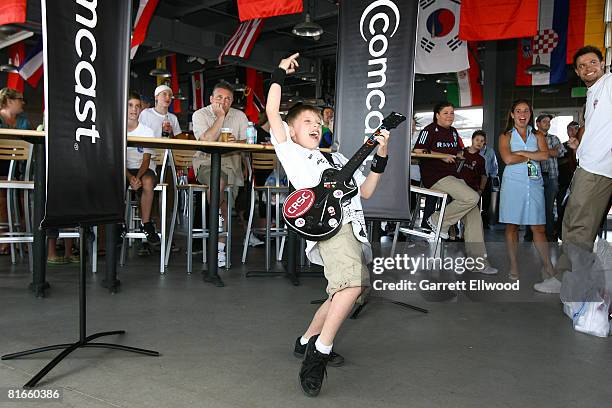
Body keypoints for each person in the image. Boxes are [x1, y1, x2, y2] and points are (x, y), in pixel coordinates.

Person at [267, 53, 389, 397]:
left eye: (318, 120)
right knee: (350, 288)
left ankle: (304, 340)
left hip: (354, 229)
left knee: (345, 290)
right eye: (307, 120)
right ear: (291, 129)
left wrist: (381, 155)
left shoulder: (336, 158)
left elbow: (365, 190)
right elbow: (271, 109)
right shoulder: (291, 152)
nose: (315, 124)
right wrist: (280, 72)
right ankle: (318, 353)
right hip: (330, 229)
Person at [534, 46, 612, 293]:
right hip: (586, 165)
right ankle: (571, 278)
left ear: (603, 63)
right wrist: (580, 144)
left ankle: (567, 279)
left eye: (592, 62)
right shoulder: (593, 93)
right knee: (569, 222)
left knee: (579, 226)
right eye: (582, 66)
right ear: (578, 72)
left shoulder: (609, 83)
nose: (588, 68)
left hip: (599, 169)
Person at [413, 102, 497, 275]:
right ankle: (437, 221)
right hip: (435, 177)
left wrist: (462, 156)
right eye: (446, 113)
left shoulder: (453, 132)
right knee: (472, 198)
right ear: (437, 115)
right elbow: (417, 152)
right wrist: (442, 156)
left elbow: (459, 152)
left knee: (474, 216)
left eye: (452, 113)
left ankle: (478, 262)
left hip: (454, 177)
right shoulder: (429, 131)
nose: (449, 116)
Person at [192, 81, 248, 267]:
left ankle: (217, 238)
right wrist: (220, 117)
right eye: (219, 98)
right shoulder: (200, 114)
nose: (223, 102)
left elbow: (247, 141)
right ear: (211, 99)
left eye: (228, 99)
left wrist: (236, 142)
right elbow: (206, 141)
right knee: (219, 184)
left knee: (221, 190)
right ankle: (218, 246)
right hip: (206, 163)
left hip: (232, 165)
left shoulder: (240, 116)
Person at [498, 99, 555, 281]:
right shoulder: (505, 136)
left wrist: (521, 154)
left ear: (530, 114)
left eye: (526, 111)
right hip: (513, 184)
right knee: (512, 225)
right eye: (518, 111)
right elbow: (507, 159)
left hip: (535, 184)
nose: (522, 114)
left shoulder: (538, 135)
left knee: (539, 227)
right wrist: (532, 156)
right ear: (512, 114)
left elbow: (545, 155)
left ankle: (549, 267)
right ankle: (514, 266)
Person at [524, 114, 566, 241]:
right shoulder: (530, 138)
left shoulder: (554, 138)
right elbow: (529, 154)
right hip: (534, 176)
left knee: (548, 208)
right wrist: (550, 151)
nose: (548, 123)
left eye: (549, 121)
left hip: (551, 176)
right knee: (532, 206)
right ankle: (529, 235)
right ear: (537, 123)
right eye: (544, 121)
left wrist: (541, 152)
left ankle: (549, 235)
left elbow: (561, 152)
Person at [126, 91, 160, 247]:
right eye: (130, 105)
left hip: (142, 169)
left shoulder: (147, 131)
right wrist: (129, 178)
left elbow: (146, 160)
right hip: (123, 169)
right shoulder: (117, 129)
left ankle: (146, 224)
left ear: (141, 109)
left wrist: (137, 178)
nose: (134, 109)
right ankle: (117, 222)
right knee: (110, 179)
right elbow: (116, 160)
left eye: (137, 106)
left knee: (147, 181)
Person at [0, 88, 31, 256]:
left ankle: (24, 239)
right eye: (20, 99)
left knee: (24, 195)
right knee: (4, 192)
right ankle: (4, 237)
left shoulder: (23, 121)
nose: (23, 102)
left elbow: (29, 144)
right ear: (9, 101)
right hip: (2, 168)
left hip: (19, 168)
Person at [555, 122, 579, 239]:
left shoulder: (584, 146)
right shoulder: (563, 146)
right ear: (567, 131)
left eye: (576, 129)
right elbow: (557, 163)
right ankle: (560, 233)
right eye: (570, 129)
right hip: (564, 184)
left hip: (580, 183)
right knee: (562, 208)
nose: (573, 131)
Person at [478, 131, 499, 228]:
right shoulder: (471, 151)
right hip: (474, 179)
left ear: (485, 141)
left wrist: (493, 178)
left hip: (487, 179)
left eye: (482, 140)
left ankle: (485, 223)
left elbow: (494, 167)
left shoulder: (490, 151)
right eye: (477, 140)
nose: (479, 142)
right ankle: (475, 222)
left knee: (486, 203)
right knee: (475, 202)